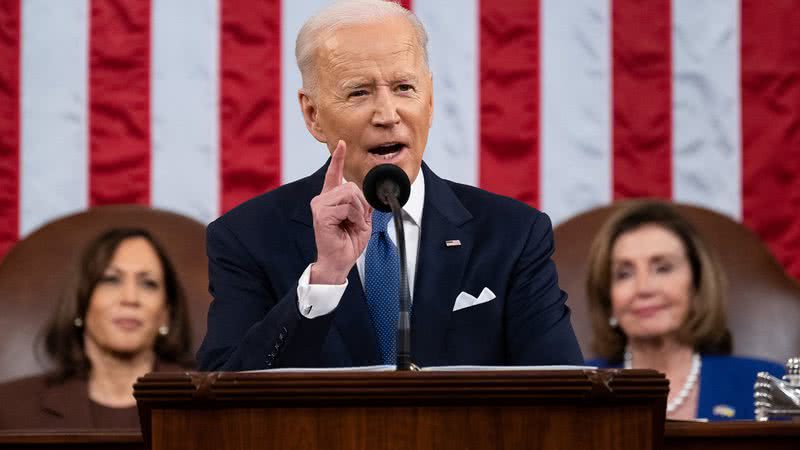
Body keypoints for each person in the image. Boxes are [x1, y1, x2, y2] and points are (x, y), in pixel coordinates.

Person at [197, 0, 582, 371]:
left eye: (403, 88)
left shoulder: (513, 234)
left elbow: (564, 394)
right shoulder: (246, 238)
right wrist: (324, 280)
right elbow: (223, 398)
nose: (387, 115)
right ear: (313, 115)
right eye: (359, 92)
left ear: (429, 101)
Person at [585, 201, 784, 421]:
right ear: (608, 298)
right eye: (624, 274)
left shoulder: (766, 386)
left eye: (663, 268)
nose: (643, 288)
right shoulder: (574, 389)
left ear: (697, 286)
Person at [0, 228, 194, 430]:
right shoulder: (8, 409)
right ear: (81, 303)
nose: (130, 298)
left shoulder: (209, 408)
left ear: (166, 314)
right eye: (111, 280)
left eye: (148, 284)